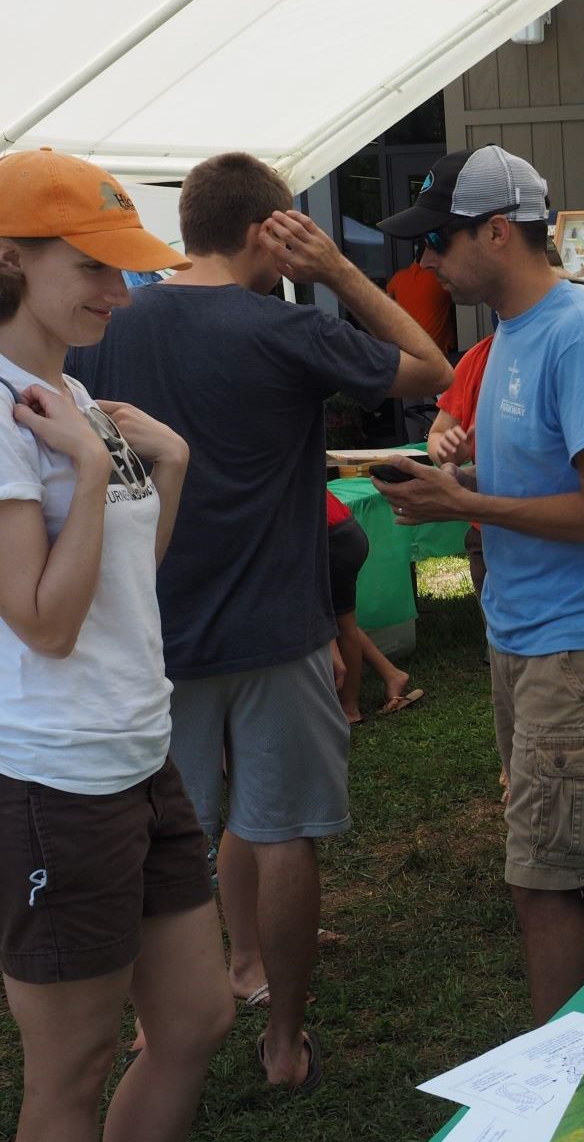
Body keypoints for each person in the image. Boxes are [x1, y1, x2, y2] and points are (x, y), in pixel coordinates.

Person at [66, 150, 453, 1089]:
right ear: (266, 232)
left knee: (169, 849)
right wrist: (338, 271)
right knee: (281, 834)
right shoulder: (281, 328)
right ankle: (283, 1042)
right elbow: (430, 365)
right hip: (279, 630)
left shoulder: (106, 325)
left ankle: (163, 1036)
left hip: (153, 636)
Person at [372, 144, 584, 1023]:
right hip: (533, 630)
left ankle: (554, 1085)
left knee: (541, 880)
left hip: (576, 635)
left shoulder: (576, 334)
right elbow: (538, 469)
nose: (426, 260)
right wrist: (462, 455)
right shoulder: (507, 338)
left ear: (498, 232)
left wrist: (466, 501)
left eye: (439, 240)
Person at [0, 149, 234, 1139]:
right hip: (58, 778)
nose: (120, 293)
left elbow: (118, 583)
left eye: (121, 267)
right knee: (73, 1066)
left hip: (139, 755)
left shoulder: (76, 403)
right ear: (10, 260)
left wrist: (164, 467)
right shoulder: (18, 419)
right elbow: (46, 624)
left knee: (194, 1019)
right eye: (92, 267)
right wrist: (93, 473)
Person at [325, 489, 422, 724]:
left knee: (341, 624)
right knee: (342, 619)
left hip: (332, 539)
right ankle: (391, 674)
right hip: (342, 531)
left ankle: (349, 709)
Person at [427, 333, 494, 597]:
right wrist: (447, 451)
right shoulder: (480, 356)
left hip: (550, 539)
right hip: (486, 532)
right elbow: (438, 433)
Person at [386, 240, 457, 352]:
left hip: (406, 352)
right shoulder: (439, 279)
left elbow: (385, 303)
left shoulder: (397, 278)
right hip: (438, 354)